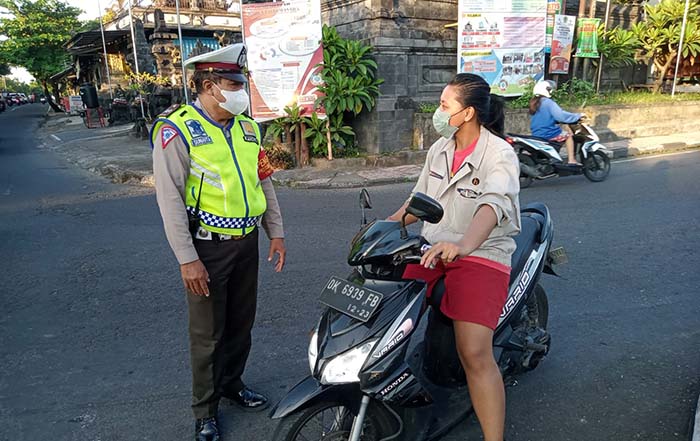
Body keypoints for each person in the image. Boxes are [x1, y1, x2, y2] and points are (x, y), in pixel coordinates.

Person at [150, 43, 286, 441]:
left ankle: (232, 383)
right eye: (232, 83)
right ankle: (205, 411)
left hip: (246, 243)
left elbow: (263, 181)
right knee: (208, 333)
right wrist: (186, 259)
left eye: (241, 83)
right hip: (206, 248)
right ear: (209, 86)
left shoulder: (248, 128)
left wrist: (275, 231)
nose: (241, 91)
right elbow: (170, 199)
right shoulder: (176, 129)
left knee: (241, 323)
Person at [388, 73, 520, 441]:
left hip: (482, 254)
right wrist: (382, 229)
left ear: (468, 113)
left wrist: (464, 245)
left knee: (474, 353)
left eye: (445, 105)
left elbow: (493, 207)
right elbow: (418, 203)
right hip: (434, 248)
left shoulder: (499, 153)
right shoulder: (439, 149)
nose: (438, 111)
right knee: (384, 304)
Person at [529, 79, 584, 166]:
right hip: (548, 133)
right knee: (568, 135)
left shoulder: (534, 103)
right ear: (545, 90)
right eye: (549, 90)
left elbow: (544, 118)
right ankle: (572, 160)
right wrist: (577, 116)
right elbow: (561, 115)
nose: (551, 91)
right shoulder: (548, 102)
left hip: (536, 134)